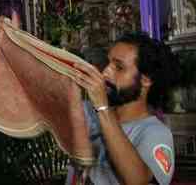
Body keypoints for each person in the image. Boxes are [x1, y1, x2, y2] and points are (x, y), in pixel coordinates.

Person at [69, 32, 177, 185]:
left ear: (145, 80)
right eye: (108, 63)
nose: (105, 72)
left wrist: (102, 107)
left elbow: (138, 181)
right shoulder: (87, 111)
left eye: (119, 67)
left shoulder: (155, 133)